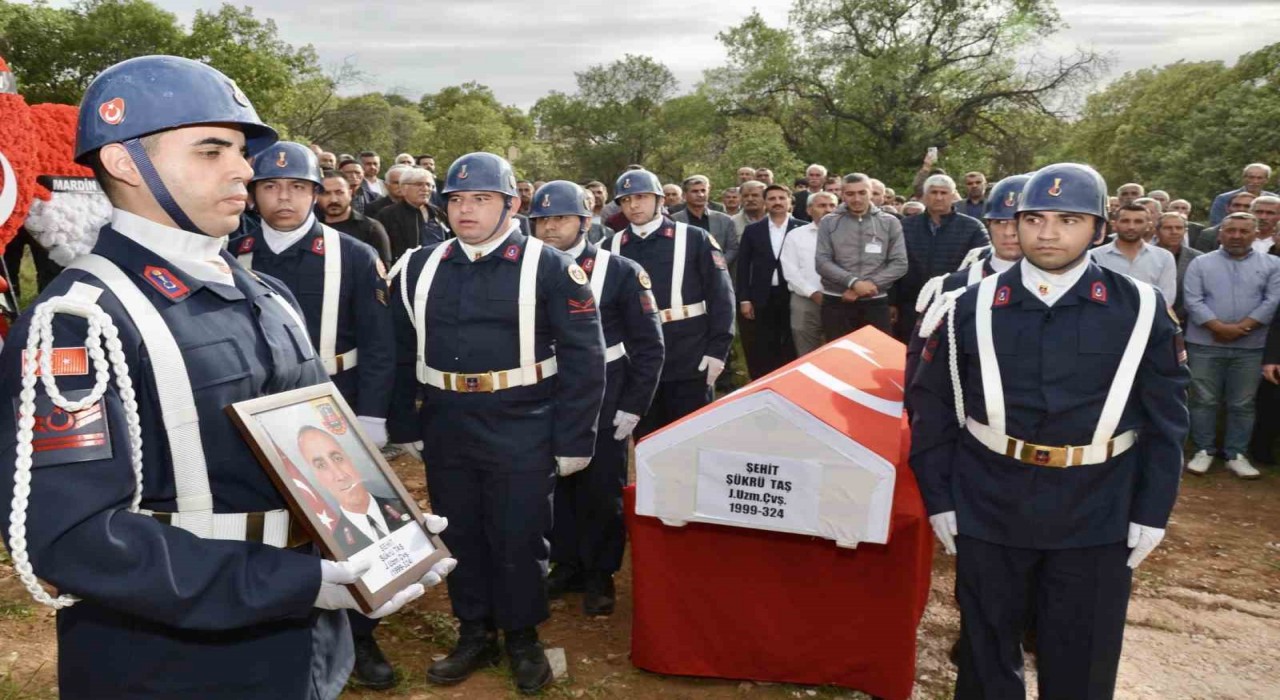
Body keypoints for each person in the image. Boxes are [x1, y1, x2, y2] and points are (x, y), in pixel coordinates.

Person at [0, 54, 451, 699]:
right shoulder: (80, 320)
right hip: (173, 665)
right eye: (212, 150)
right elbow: (75, 540)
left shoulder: (265, 292)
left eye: (240, 151)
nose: (245, 169)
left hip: (301, 652)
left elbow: (308, 450)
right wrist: (295, 583)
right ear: (127, 163)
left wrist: (381, 528)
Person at [909, 162, 1188, 700]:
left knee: (1081, 657)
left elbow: (1167, 418)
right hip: (990, 501)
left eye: (1069, 219)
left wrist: (1152, 510)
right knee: (986, 654)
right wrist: (940, 498)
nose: (1048, 232)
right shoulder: (969, 305)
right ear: (1014, 223)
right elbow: (933, 408)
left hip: (1099, 506)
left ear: (1099, 230)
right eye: (1034, 218)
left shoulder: (1141, 309)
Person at [386, 153, 605, 694]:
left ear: (511, 205)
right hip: (446, 419)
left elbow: (585, 356)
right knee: (459, 529)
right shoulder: (419, 265)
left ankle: (523, 635)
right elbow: (397, 350)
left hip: (523, 419)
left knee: (518, 532)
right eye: (457, 200)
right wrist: (402, 421)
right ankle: (474, 630)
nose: (466, 210)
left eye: (481, 199)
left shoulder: (549, 265)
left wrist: (575, 437)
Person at [234, 141, 402, 688]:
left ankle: (362, 636)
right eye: (271, 187)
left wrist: (373, 416)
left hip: (338, 403)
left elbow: (381, 345)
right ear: (254, 192)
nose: (284, 198)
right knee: (269, 524)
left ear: (315, 192)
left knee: (348, 523)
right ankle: (276, 630)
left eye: (297, 187)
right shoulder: (230, 252)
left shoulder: (352, 254)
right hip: (253, 412)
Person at [529, 181, 663, 617]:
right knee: (556, 486)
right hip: (545, 394)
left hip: (605, 395)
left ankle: (600, 573)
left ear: (585, 222)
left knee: (600, 488)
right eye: (541, 220)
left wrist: (633, 405)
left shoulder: (621, 271)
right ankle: (566, 564)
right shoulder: (526, 268)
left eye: (559, 219)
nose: (548, 228)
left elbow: (649, 345)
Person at [605, 169, 734, 436]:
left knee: (692, 438)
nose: (633, 205)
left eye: (641, 197)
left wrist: (718, 350)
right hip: (637, 362)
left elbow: (721, 295)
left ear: (660, 200)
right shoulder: (609, 247)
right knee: (648, 440)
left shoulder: (694, 238)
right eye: (626, 200)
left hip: (689, 354)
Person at [905, 174, 1030, 394]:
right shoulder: (949, 290)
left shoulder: (1063, 288)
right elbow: (922, 370)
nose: (1010, 232)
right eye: (1001, 222)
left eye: (1020, 222)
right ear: (989, 224)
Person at [1182, 212, 1280, 479]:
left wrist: (1242, 328)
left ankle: (1236, 454)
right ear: (1221, 233)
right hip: (1205, 343)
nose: (1236, 236)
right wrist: (1218, 328)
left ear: (1255, 233)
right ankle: (1204, 450)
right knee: (1203, 399)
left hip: (1251, 346)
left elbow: (1272, 301)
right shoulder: (1201, 263)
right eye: (1231, 230)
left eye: (1244, 231)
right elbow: (1193, 300)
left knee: (1243, 403)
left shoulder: (1273, 264)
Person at [894, 174, 989, 340]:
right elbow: (894, 263)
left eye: (944, 193)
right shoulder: (906, 226)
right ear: (924, 196)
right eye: (934, 192)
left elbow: (982, 265)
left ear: (953, 196)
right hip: (912, 305)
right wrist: (892, 301)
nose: (938, 197)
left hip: (954, 305)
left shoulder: (972, 227)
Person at [816, 173, 907, 338]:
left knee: (876, 358)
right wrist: (853, 282)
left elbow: (899, 263)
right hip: (837, 301)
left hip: (875, 301)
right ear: (842, 194)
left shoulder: (890, 222)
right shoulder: (829, 222)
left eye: (862, 193)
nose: (857, 199)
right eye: (850, 194)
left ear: (871, 193)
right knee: (839, 358)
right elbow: (822, 261)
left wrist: (865, 287)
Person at [297, 425, 412, 557]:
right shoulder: (333, 545)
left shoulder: (404, 507)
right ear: (315, 478)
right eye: (321, 465)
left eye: (338, 458)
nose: (340, 475)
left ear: (350, 459)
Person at [737, 183, 803, 378]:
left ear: (790, 201)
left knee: (791, 339)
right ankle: (765, 380)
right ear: (765, 202)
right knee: (764, 341)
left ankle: (790, 378)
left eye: (782, 198)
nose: (777, 202)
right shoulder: (753, 231)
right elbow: (743, 266)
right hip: (762, 294)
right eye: (772, 199)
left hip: (792, 293)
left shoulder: (802, 228)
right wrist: (744, 299)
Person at [778, 191, 838, 355]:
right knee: (806, 352)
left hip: (840, 300)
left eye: (832, 205)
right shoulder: (796, 235)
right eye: (822, 205)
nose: (828, 209)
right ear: (809, 210)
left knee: (838, 350)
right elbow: (790, 271)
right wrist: (813, 293)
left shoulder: (848, 235)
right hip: (805, 301)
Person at [1091, 203, 1178, 303]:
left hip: (1150, 315)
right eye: (1125, 221)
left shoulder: (1164, 257)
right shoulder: (1095, 256)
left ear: (1149, 225)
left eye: (1138, 221)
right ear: (1114, 224)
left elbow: (1167, 298)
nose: (1131, 227)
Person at [319, 170, 393, 268]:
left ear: (350, 193)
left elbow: (383, 271)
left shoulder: (371, 228)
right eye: (326, 193)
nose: (333, 199)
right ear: (316, 196)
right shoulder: (312, 228)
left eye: (339, 192)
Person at [377, 166, 450, 260]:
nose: (425, 189)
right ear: (403, 188)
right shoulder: (388, 215)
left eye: (429, 185)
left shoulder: (438, 213)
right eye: (419, 184)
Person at [1152, 211, 1202, 326]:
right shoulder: (1145, 255)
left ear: (1185, 231)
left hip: (1187, 321)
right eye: (1168, 228)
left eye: (1179, 228)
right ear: (1157, 231)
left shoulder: (1198, 258)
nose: (1174, 232)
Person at [1209, 163, 1276, 226]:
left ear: (1267, 180)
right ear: (1244, 178)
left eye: (1259, 178)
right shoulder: (1224, 198)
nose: (1255, 181)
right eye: (1251, 177)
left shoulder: (1275, 200)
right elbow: (1216, 223)